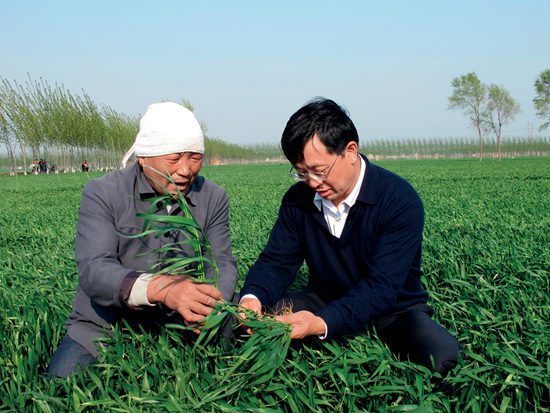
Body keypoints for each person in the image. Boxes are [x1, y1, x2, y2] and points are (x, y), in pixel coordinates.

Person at [240, 98, 461, 376]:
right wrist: (252, 298)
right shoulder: (298, 200)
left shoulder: (398, 199)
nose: (312, 182)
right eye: (301, 172)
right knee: (243, 324)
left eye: (319, 171)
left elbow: (382, 287)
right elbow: (276, 262)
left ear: (350, 151)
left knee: (442, 358)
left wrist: (321, 323)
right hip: (324, 298)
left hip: (394, 310)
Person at [47, 102, 238, 378]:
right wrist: (163, 289)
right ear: (144, 157)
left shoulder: (213, 197)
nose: (186, 170)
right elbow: (95, 269)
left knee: (230, 373)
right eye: (175, 159)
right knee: (60, 387)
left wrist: (211, 306)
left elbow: (222, 261)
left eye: (195, 158)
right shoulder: (103, 193)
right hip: (105, 323)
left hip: (183, 321)